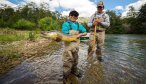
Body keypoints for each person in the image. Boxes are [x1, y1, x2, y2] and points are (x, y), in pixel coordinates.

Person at [62, 10, 87, 82]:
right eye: (71, 15)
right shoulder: (66, 24)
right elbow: (64, 33)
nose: (73, 17)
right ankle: (66, 76)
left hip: (76, 47)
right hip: (68, 47)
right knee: (67, 61)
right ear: (69, 16)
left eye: (75, 16)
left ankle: (74, 71)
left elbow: (85, 31)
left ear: (77, 18)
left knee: (75, 60)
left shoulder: (79, 25)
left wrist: (81, 34)